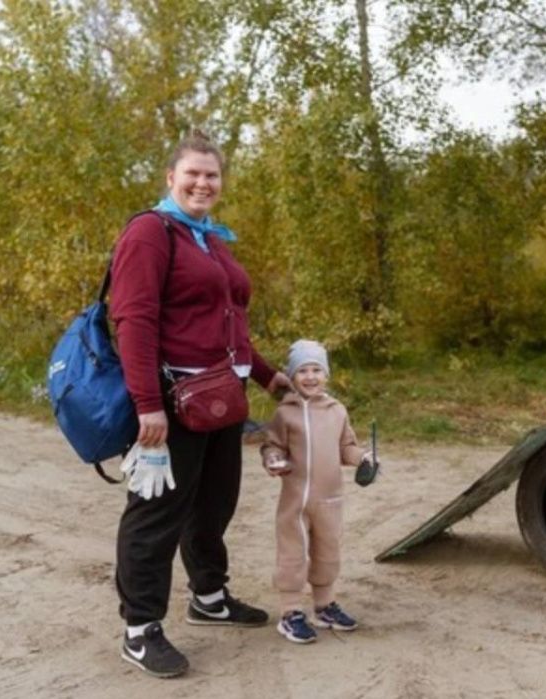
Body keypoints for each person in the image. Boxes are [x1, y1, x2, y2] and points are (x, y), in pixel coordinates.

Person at [109, 130, 292, 678]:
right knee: (156, 515)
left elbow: (228, 325)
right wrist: (147, 404)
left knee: (214, 505)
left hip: (219, 400)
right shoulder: (150, 233)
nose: (202, 182)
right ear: (170, 178)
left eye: (212, 175)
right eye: (192, 173)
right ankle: (141, 630)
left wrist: (268, 377)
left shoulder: (208, 239)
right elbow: (134, 321)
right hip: (171, 401)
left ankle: (208, 598)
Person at [260, 339, 375, 644]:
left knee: (328, 551)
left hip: (330, 500)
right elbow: (272, 445)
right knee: (292, 555)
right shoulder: (285, 413)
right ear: (292, 376)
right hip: (295, 503)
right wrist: (273, 459)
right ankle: (290, 612)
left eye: (316, 370)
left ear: (326, 375)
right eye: (302, 371)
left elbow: (346, 447)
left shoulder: (337, 411)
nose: (310, 377)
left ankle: (324, 606)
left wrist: (363, 458)